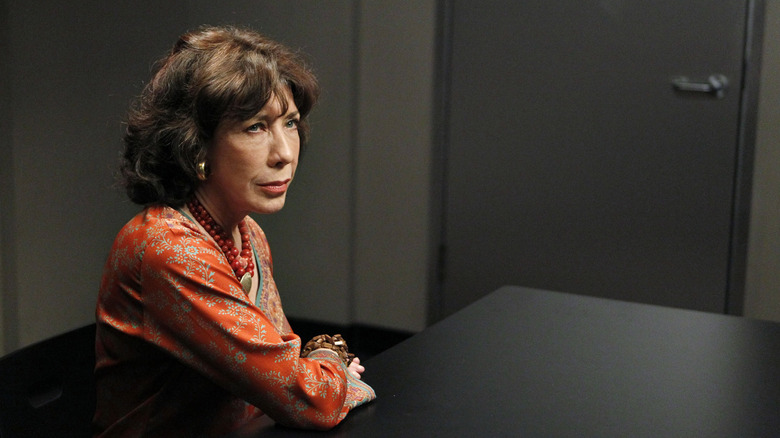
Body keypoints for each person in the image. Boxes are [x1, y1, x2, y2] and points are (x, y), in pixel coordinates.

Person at [93, 25, 375, 437]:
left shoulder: (247, 232)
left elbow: (286, 379)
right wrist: (330, 354)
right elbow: (308, 398)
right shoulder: (167, 248)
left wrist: (313, 373)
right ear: (196, 146)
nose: (284, 154)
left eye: (291, 123)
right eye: (256, 127)